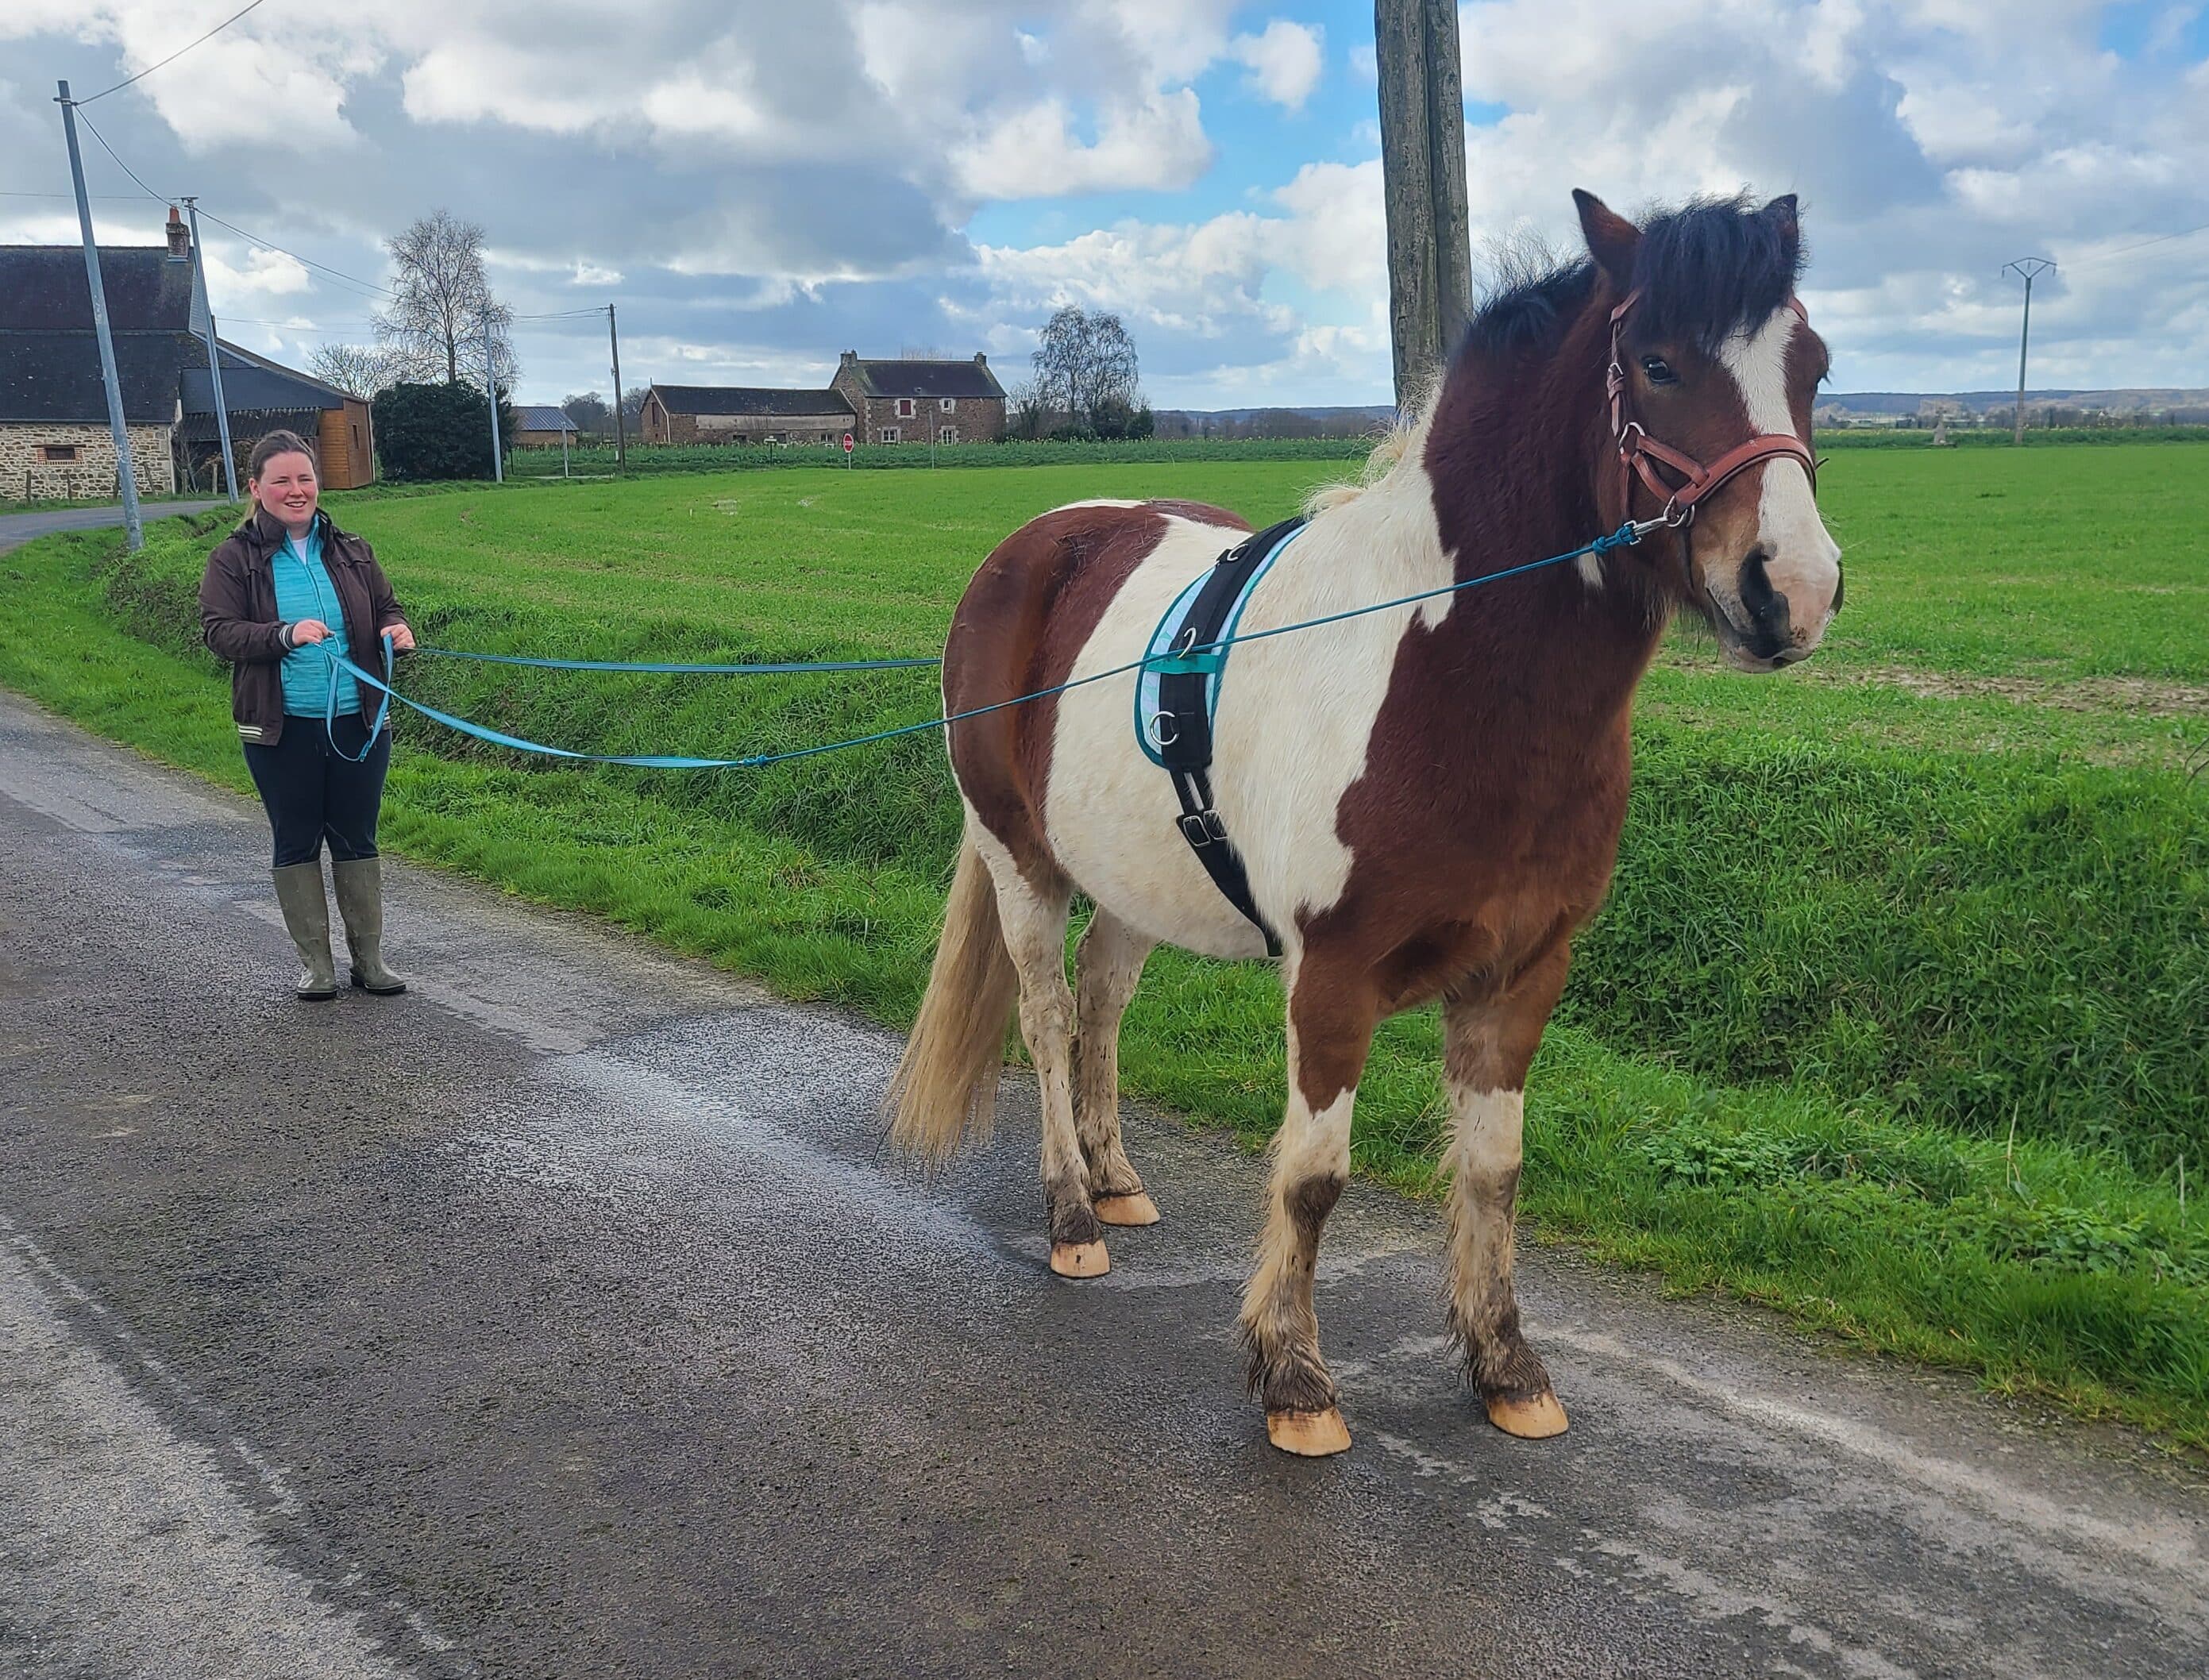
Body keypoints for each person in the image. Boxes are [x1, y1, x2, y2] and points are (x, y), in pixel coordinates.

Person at [198, 430, 416, 1000]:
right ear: (256, 488)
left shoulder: (352, 549)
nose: (297, 491)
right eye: (282, 481)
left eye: (305, 479)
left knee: (356, 836)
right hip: (281, 725)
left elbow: (386, 605)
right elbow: (220, 634)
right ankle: (317, 967)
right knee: (296, 838)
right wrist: (284, 634)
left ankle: (369, 961)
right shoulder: (233, 557)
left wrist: (395, 628)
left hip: (358, 721)